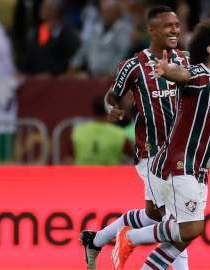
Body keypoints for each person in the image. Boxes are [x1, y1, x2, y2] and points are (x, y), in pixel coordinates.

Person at [110, 18, 210, 270]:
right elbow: (182, 74)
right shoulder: (198, 75)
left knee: (183, 238)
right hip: (178, 164)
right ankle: (130, 237)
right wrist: (167, 70)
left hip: (200, 171)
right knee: (192, 227)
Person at [78, 6, 190, 270]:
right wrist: (110, 109)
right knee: (177, 220)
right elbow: (111, 95)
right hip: (151, 153)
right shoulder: (134, 65)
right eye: (168, 26)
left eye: (176, 25)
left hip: (181, 154)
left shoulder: (186, 61)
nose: (174, 30)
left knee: (155, 216)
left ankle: (97, 239)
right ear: (151, 31)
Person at [68, 0, 132, 77]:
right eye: (103, 12)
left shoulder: (124, 30)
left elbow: (123, 54)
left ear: (117, 13)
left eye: (109, 12)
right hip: (91, 75)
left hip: (111, 77)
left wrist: (112, 72)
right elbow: (84, 49)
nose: (105, 15)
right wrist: (74, 64)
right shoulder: (96, 29)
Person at [23, 0, 80, 76]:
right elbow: (32, 57)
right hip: (35, 79)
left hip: (57, 80)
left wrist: (53, 73)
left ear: (55, 10)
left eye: (45, 7)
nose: (41, 9)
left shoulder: (66, 35)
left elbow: (69, 59)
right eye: (42, 6)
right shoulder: (35, 33)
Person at [71, 97, 133, 165]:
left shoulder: (78, 131)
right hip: (109, 174)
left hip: (82, 174)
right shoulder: (119, 134)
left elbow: (68, 159)